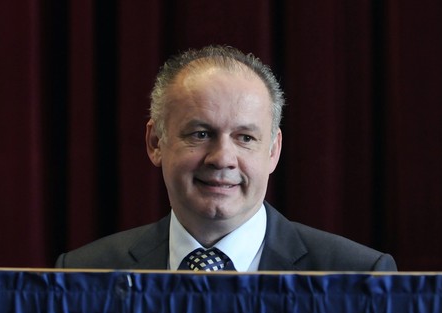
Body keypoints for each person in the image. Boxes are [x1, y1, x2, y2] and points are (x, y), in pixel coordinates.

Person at [55, 45, 397, 272]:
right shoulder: (84, 274)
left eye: (245, 137)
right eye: (200, 134)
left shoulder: (359, 276)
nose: (222, 158)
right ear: (156, 142)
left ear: (273, 151)